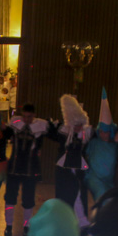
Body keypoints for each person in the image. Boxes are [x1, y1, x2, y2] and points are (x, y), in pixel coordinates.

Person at [46, 95, 93, 227]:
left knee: (79, 195)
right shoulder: (64, 132)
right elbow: (51, 134)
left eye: (80, 124)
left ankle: (81, 222)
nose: (78, 127)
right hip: (63, 170)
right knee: (62, 195)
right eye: (76, 124)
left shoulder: (86, 134)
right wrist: (51, 125)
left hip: (79, 169)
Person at [5, 104, 45, 236]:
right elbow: (4, 134)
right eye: (24, 116)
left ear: (34, 115)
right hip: (14, 167)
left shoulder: (39, 128)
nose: (27, 119)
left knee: (28, 199)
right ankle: (8, 225)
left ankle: (27, 226)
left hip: (30, 168)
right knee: (10, 197)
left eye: (29, 116)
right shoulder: (15, 125)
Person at [84, 88, 118, 204]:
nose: (103, 134)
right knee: (101, 194)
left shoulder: (115, 145)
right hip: (94, 177)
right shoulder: (94, 142)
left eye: (106, 132)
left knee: (111, 198)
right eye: (101, 132)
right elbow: (87, 155)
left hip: (110, 179)